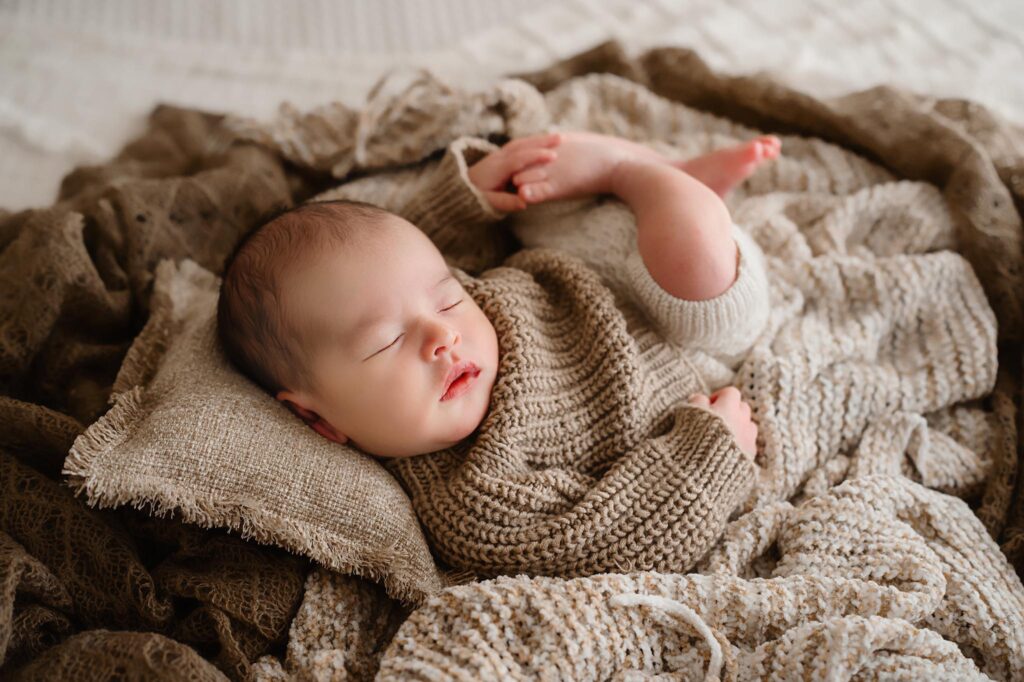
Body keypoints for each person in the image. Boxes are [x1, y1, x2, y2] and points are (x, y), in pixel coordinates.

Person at [217, 130, 778, 460]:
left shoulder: (427, 316)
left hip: (594, 265)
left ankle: (666, 176)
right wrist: (706, 455)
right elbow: (605, 539)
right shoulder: (475, 493)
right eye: (386, 342)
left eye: (447, 300)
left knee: (531, 169)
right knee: (696, 257)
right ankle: (641, 173)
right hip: (692, 334)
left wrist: (469, 200)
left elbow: (403, 257)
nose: (443, 333)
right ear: (318, 420)